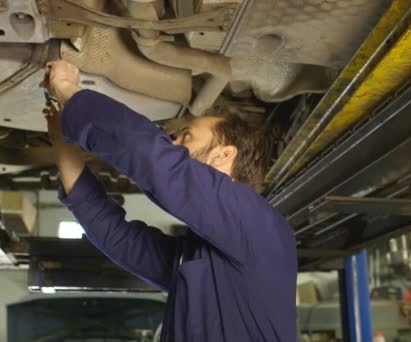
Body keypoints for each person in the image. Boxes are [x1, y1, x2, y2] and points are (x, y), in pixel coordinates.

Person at [43, 60, 297, 342]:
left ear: (224, 156)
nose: (172, 144)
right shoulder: (200, 256)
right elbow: (117, 237)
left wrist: (68, 90)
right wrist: (62, 141)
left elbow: (158, 163)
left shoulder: (260, 226)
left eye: (185, 138)